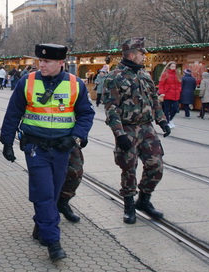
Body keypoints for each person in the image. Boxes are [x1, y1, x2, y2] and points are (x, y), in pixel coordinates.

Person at [0, 43, 94, 261]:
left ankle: (40, 226)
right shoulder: (27, 81)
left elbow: (86, 114)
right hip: (36, 147)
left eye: (47, 61)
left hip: (62, 148)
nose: (41, 64)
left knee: (53, 192)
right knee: (44, 192)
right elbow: (13, 112)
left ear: (61, 63)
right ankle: (53, 241)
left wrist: (75, 137)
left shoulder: (75, 84)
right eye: (40, 61)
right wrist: (7, 142)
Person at [102, 37, 171, 224]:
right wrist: (119, 134)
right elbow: (111, 108)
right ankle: (129, 205)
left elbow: (154, 100)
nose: (144, 57)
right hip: (127, 128)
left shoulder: (145, 75)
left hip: (147, 127)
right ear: (132, 55)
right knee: (129, 167)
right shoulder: (114, 77)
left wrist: (162, 121)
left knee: (156, 164)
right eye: (142, 54)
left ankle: (144, 200)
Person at [57, 146, 86, 223]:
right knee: (45, 179)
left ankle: (62, 202)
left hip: (70, 141)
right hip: (43, 142)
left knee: (75, 172)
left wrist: (82, 136)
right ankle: (42, 220)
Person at [158, 61, 181, 128]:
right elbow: (161, 84)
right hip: (167, 94)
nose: (173, 68)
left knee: (175, 108)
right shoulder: (165, 74)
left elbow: (179, 83)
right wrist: (162, 92)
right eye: (172, 66)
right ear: (169, 67)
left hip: (176, 95)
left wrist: (179, 90)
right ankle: (167, 121)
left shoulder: (177, 74)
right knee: (166, 109)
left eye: (174, 66)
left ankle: (170, 119)